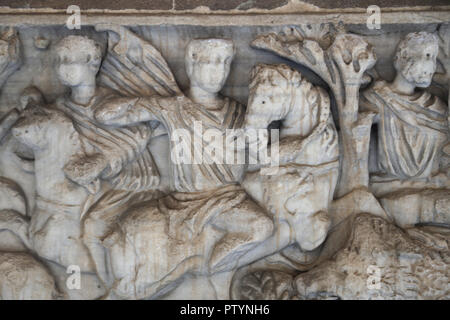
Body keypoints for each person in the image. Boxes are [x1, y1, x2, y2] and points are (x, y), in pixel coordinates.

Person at [94, 38, 274, 274]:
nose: (217, 71)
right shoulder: (174, 108)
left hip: (231, 198)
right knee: (262, 226)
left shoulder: (238, 111)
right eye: (210, 62)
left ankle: (212, 271)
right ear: (191, 64)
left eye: (223, 63)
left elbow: (262, 158)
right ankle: (207, 269)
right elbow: (105, 116)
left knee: (264, 226)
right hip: (188, 201)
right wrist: (151, 103)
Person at [52, 35, 161, 286]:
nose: (63, 66)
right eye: (60, 60)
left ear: (92, 63)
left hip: (132, 183)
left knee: (93, 226)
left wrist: (104, 160)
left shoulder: (111, 102)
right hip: (87, 184)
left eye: (71, 59)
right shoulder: (60, 107)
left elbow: (140, 135)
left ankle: (111, 287)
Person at [361, 32, 448, 180]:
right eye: (427, 55)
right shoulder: (377, 98)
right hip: (385, 184)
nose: (432, 66)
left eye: (433, 58)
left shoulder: (437, 107)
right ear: (405, 57)